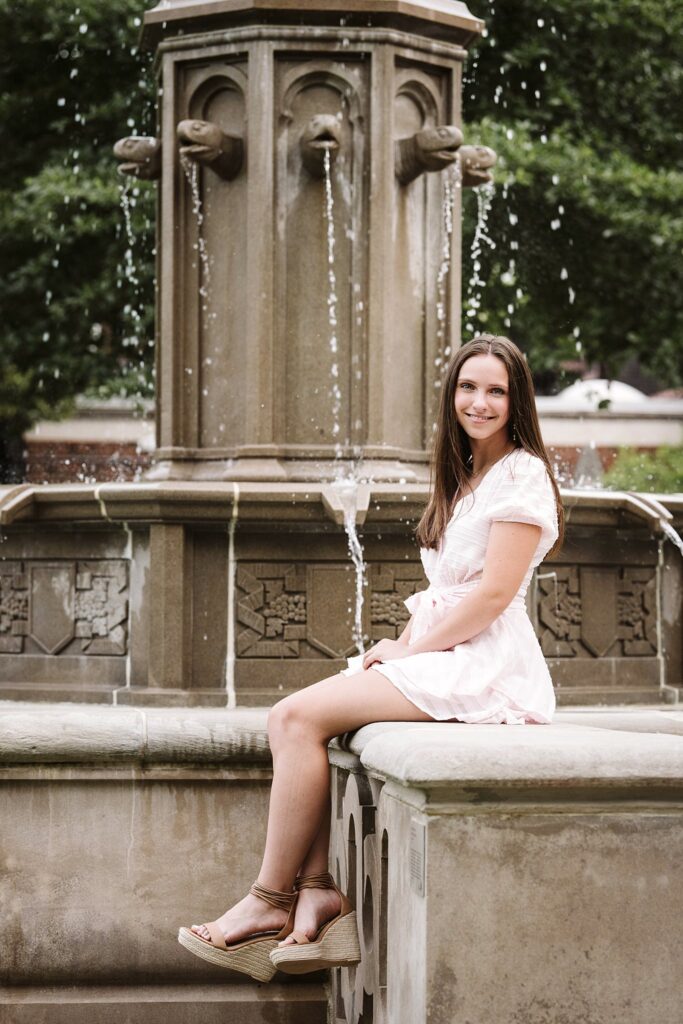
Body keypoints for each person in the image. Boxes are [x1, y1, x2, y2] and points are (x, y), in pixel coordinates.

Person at [178, 334, 565, 981]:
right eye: (468, 387)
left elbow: (494, 594)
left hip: (489, 664)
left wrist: (408, 649)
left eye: (495, 390)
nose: (479, 401)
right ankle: (315, 894)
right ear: (450, 396)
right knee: (303, 721)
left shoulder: (521, 472)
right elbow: (454, 594)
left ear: (516, 399)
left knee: (294, 718)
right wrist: (403, 648)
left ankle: (268, 901)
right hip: (453, 651)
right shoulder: (467, 473)